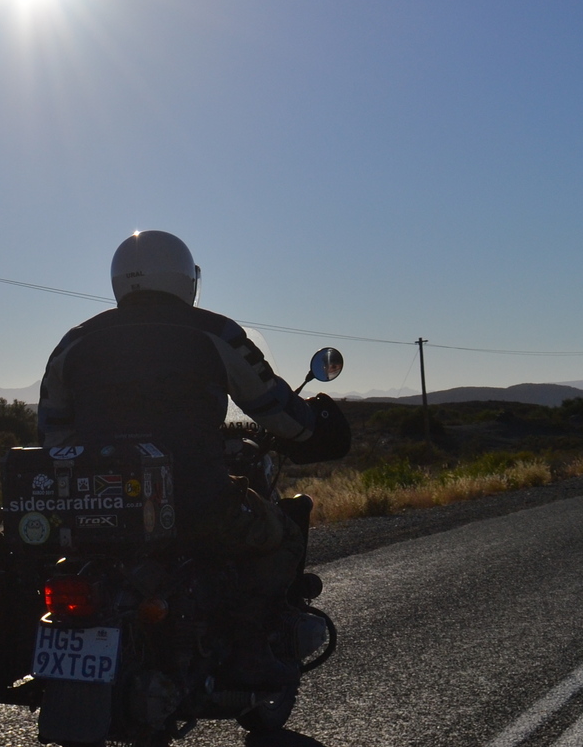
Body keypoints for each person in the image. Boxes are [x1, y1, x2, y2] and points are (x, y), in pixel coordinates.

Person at [36, 230, 350, 685]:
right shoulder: (213, 332)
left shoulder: (75, 341)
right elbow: (273, 406)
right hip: (196, 497)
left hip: (91, 508)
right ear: (186, 278)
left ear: (119, 279)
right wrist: (312, 427)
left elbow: (51, 433)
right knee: (276, 532)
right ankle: (251, 652)